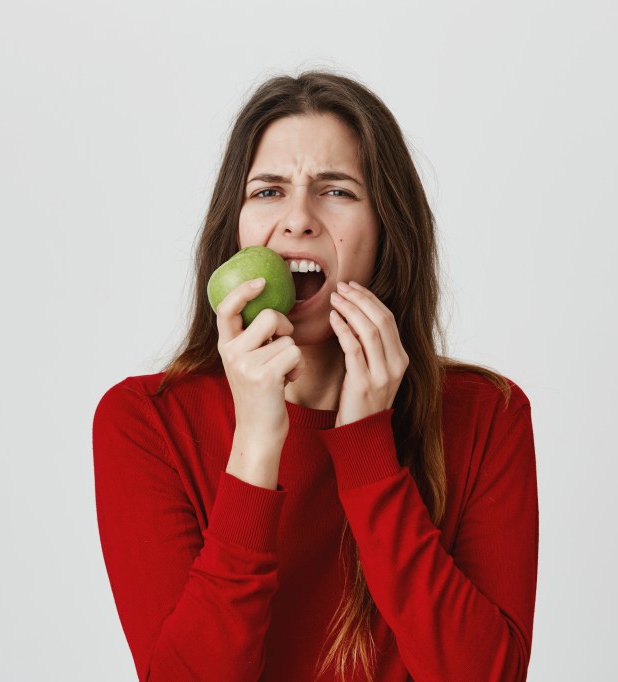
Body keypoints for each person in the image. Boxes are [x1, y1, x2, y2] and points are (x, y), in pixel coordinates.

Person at [92, 70, 538, 682]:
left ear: (387, 230)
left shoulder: (487, 413)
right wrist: (255, 443)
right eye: (268, 191)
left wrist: (367, 450)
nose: (298, 219)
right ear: (237, 227)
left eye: (337, 191)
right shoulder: (144, 420)